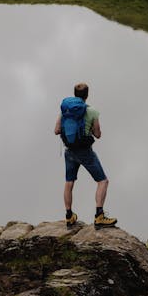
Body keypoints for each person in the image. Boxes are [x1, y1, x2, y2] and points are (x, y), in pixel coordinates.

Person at [54, 82, 117, 228]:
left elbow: (57, 130)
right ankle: (99, 216)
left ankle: (69, 216)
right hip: (85, 151)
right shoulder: (92, 111)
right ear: (87, 95)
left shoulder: (65, 110)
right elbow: (98, 134)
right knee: (103, 181)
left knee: (69, 182)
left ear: (75, 94)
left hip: (69, 151)